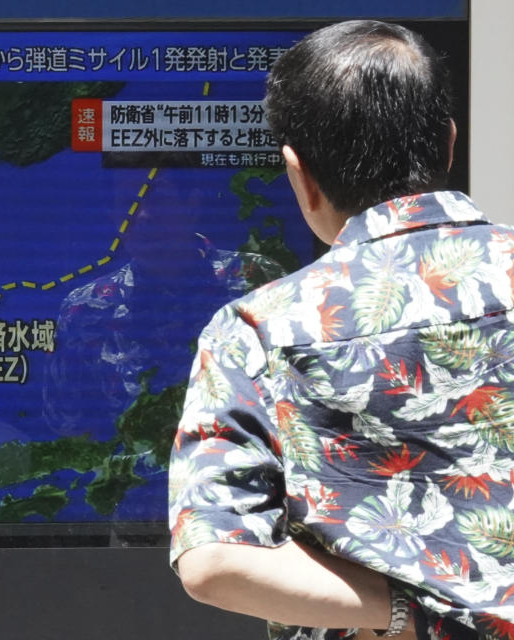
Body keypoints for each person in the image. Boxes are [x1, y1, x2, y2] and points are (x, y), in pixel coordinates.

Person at [169, 20, 514, 640]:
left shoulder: (257, 331)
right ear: (448, 143)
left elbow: (215, 561)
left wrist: (413, 611)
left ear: (299, 175)